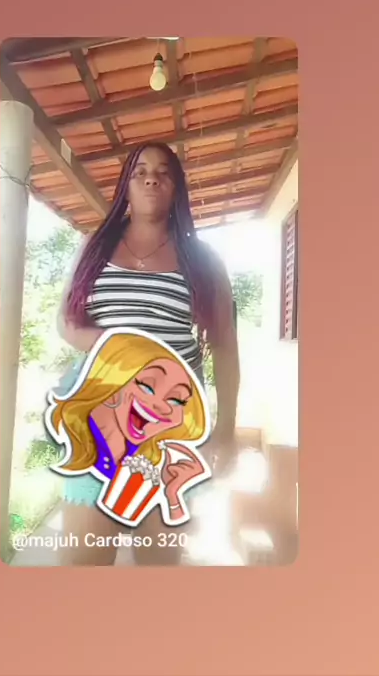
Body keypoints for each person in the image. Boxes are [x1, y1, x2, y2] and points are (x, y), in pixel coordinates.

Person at [56, 142, 240, 565]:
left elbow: (225, 346)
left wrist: (227, 429)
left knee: (158, 565)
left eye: (163, 172)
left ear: (177, 187)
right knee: (81, 564)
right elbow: (65, 323)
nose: (151, 179)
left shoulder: (203, 260)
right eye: (140, 171)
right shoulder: (94, 247)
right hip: (97, 419)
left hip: (170, 429)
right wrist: (123, 351)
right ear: (126, 185)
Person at [45, 329, 211, 528]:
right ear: (113, 381)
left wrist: (172, 495)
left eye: (177, 400)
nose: (162, 406)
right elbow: (68, 327)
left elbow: (168, 538)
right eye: (147, 386)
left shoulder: (153, 459)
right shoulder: (85, 446)